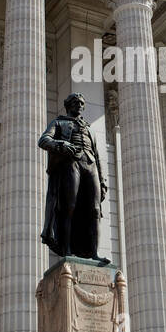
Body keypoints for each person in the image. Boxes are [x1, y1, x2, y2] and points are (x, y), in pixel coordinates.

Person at [38, 93, 109, 264]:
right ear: (68, 105)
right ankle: (67, 249)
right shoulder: (59, 122)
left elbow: (97, 155)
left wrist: (102, 180)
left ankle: (94, 253)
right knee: (70, 206)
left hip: (90, 165)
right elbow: (43, 140)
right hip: (71, 164)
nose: (79, 105)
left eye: (81, 103)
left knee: (95, 210)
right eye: (75, 102)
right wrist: (61, 144)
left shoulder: (89, 128)